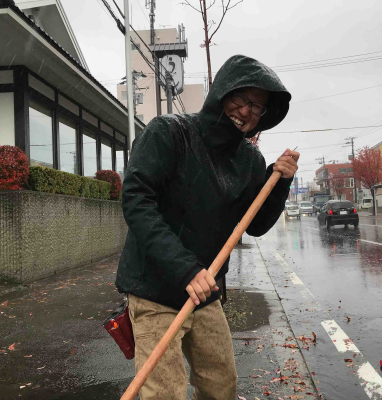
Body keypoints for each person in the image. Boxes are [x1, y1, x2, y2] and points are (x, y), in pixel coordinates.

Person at [116, 54, 299, 400]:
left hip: (204, 295)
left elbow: (256, 226)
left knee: (220, 388)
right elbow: (136, 201)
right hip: (154, 289)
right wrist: (185, 269)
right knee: (164, 394)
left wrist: (278, 185)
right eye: (241, 99)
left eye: (257, 107)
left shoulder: (249, 161)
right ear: (222, 91)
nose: (246, 111)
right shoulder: (170, 133)